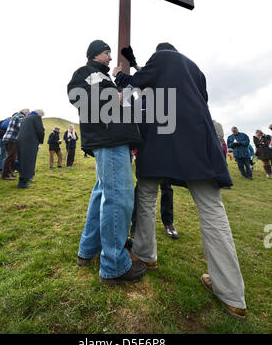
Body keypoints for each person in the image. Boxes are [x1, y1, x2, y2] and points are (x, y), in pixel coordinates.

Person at [114, 42, 246, 319]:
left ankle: (145, 255)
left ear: (161, 53)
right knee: (212, 210)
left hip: (162, 141)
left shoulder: (161, 58)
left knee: (147, 195)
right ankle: (232, 295)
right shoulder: (195, 70)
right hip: (198, 142)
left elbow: (138, 81)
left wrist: (119, 74)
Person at [67, 39, 145, 285]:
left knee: (103, 194)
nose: (111, 57)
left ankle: (87, 251)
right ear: (95, 55)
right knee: (119, 196)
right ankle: (113, 266)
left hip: (111, 137)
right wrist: (115, 95)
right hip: (109, 138)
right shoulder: (86, 73)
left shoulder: (102, 77)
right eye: (107, 53)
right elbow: (75, 94)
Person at [17, 110, 45, 188]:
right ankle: (22, 182)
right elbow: (40, 130)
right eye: (42, 116)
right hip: (30, 142)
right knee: (29, 161)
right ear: (40, 114)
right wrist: (41, 141)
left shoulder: (26, 118)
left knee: (23, 160)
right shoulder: (36, 117)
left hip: (21, 141)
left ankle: (26, 178)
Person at [1, 109, 30, 180]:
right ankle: (5, 175)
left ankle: (10, 173)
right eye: (28, 114)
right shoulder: (20, 117)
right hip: (12, 139)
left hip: (9, 139)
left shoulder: (16, 116)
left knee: (12, 157)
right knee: (11, 157)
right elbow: (22, 127)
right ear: (26, 113)